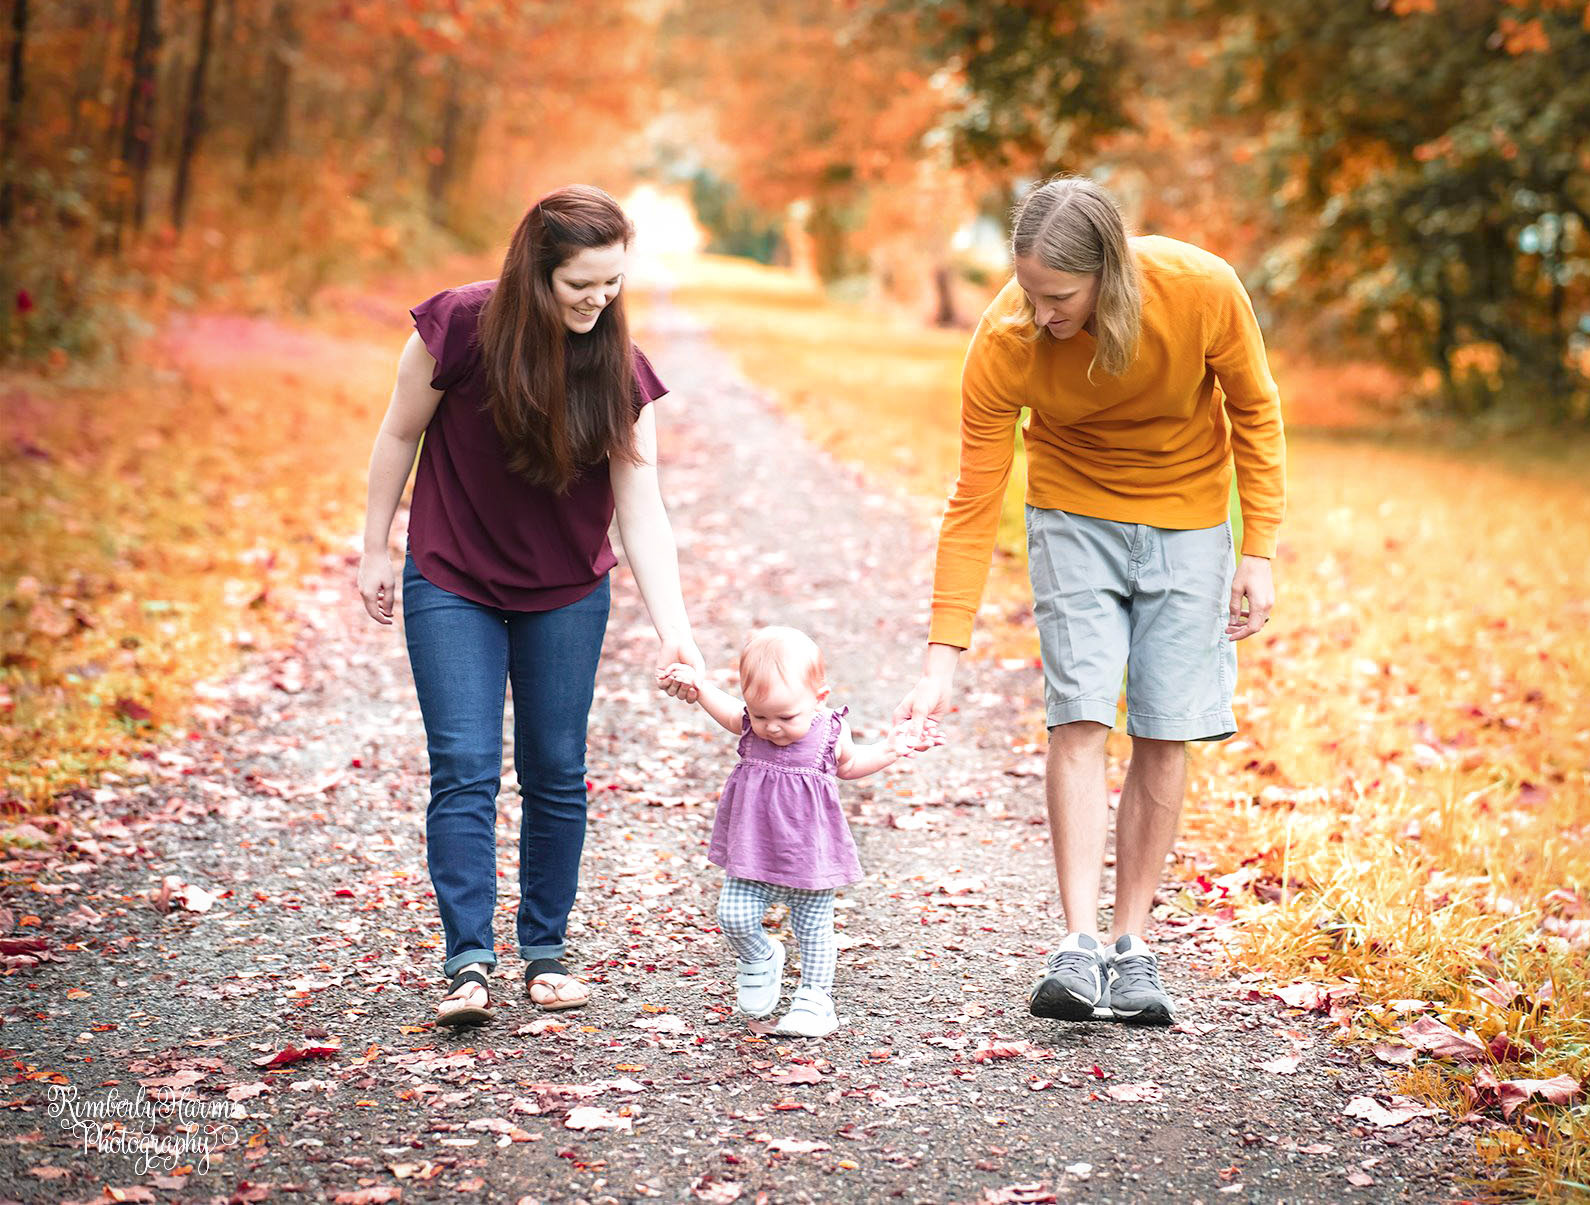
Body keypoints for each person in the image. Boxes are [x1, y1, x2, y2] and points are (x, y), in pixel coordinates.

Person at [895, 175, 1285, 1026]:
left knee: (1166, 725)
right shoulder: (1007, 336)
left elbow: (1256, 412)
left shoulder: (1202, 290)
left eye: (1058, 297)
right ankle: (1077, 944)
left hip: (1189, 519)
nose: (1037, 313)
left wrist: (1257, 549)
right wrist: (941, 656)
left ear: (1109, 272)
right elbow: (973, 497)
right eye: (1028, 291)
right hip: (1072, 515)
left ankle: (1132, 945)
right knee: (1078, 714)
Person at [357, 185, 705, 1027]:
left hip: (567, 590)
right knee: (464, 765)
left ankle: (544, 952)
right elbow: (399, 432)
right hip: (451, 576)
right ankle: (467, 963)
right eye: (580, 284)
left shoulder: (618, 369)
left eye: (613, 283)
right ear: (534, 270)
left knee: (554, 769)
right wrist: (373, 547)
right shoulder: (458, 327)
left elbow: (642, 511)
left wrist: (677, 633)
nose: (599, 300)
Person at [657, 627, 935, 1037]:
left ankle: (815, 1000)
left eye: (785, 718)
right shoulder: (749, 723)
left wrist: (891, 749)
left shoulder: (830, 730)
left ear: (819, 698)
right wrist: (698, 685)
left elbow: (850, 765)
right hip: (754, 848)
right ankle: (759, 957)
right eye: (760, 716)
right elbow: (723, 705)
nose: (771, 728)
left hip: (810, 852)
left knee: (813, 929)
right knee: (733, 915)